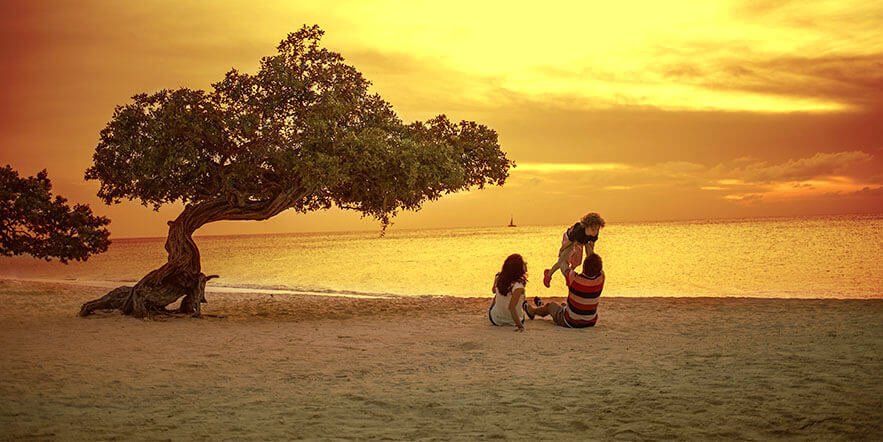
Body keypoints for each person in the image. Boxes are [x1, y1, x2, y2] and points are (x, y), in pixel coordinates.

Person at [529, 253, 604, 328]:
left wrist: (568, 251)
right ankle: (541, 307)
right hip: (590, 321)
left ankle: (533, 311)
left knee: (551, 306)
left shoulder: (574, 279)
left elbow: (562, 264)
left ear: (584, 267)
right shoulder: (601, 279)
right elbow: (592, 255)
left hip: (571, 321)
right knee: (563, 305)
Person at [543, 212, 605, 288]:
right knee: (562, 260)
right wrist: (562, 249)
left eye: (597, 229)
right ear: (587, 226)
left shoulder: (594, 233)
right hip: (570, 239)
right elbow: (569, 242)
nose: (595, 232)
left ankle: (570, 275)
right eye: (593, 229)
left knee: (578, 262)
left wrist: (591, 258)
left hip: (582, 242)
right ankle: (549, 274)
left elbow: (591, 245)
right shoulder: (578, 230)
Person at [488, 253, 533, 332]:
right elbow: (511, 307)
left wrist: (496, 282)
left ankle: (500, 309)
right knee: (521, 297)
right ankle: (525, 304)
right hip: (513, 321)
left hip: (496, 319)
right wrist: (520, 326)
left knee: (499, 295)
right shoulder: (518, 286)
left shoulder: (499, 277)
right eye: (523, 263)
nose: (526, 264)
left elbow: (493, 291)